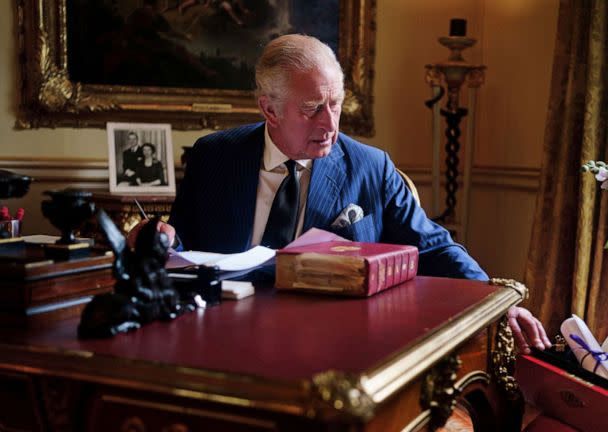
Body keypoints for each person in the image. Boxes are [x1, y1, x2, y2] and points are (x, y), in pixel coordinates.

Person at [129, 34, 551, 355]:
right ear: (269, 109)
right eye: (312, 107)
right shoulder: (214, 156)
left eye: (337, 103)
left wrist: (498, 304)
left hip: (331, 348)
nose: (330, 122)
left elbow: (433, 246)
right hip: (222, 339)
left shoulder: (370, 166)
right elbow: (181, 245)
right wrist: (157, 237)